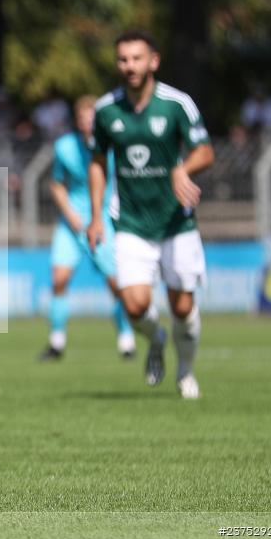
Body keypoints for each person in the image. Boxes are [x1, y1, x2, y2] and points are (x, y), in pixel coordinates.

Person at [87, 31, 214, 400]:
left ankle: (186, 373)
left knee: (183, 307)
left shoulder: (177, 104)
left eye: (137, 58)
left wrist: (182, 169)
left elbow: (206, 151)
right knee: (135, 303)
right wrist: (96, 217)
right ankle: (156, 338)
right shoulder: (106, 110)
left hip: (177, 223)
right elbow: (97, 162)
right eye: (123, 59)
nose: (130, 66)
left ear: (153, 61)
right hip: (130, 222)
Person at [38, 95, 136, 361]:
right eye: (83, 118)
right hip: (73, 224)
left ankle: (126, 341)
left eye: (92, 117)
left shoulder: (114, 146)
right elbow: (57, 183)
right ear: (77, 121)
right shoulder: (64, 147)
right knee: (59, 280)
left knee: (117, 284)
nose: (88, 123)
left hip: (103, 221)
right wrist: (69, 213)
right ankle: (56, 343)